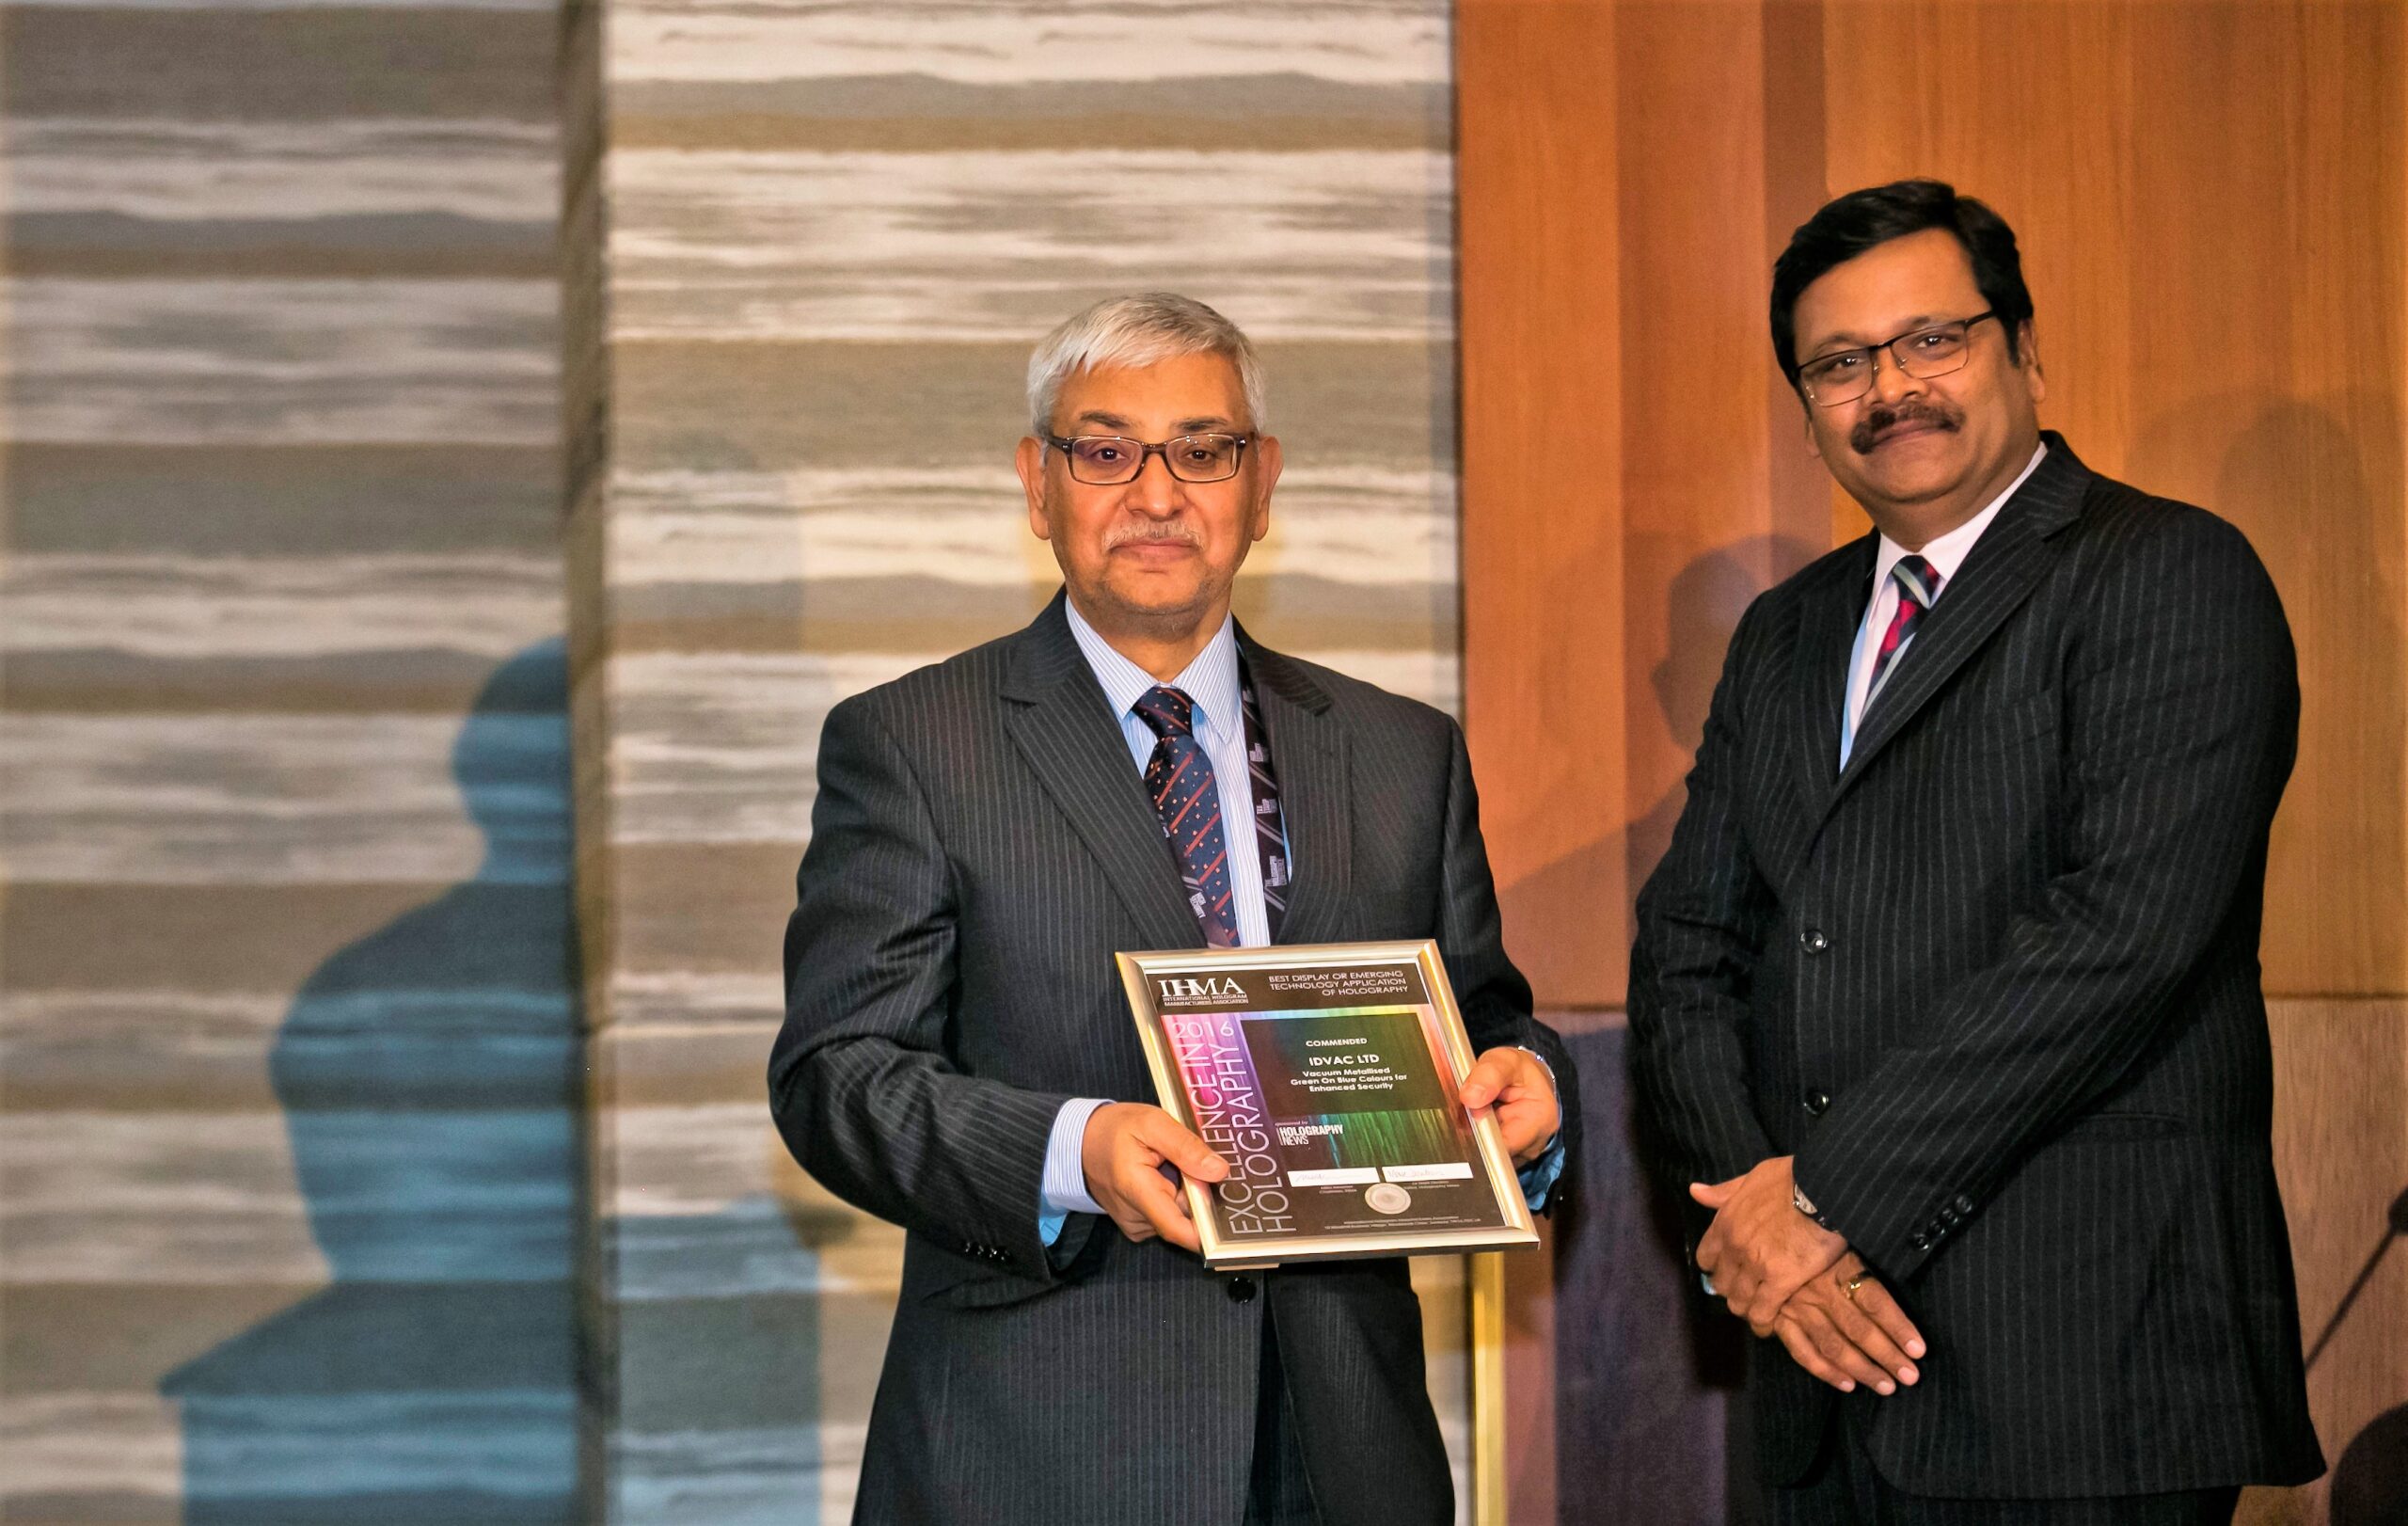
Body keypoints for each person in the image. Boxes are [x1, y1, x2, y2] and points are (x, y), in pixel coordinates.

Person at [771, 293, 1575, 1526]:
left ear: (1264, 485)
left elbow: (1481, 1020)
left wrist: (1530, 1084)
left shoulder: (1402, 751)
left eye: (1204, 450)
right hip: (1039, 1452)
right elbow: (838, 1076)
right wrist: (1075, 1150)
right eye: (1106, 451)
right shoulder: (915, 744)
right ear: (1038, 485)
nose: (1157, 494)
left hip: (1345, 1451)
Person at [1627, 181, 2325, 1523]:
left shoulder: (2168, 572)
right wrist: (1755, 1223)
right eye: (1840, 364)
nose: (1890, 388)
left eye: (1931, 339)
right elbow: (1690, 947)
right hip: (1818, 1364)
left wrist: (1819, 1203)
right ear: (1808, 407)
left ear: (2024, 349)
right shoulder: (1784, 632)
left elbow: (2119, 941)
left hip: (2077, 1366)